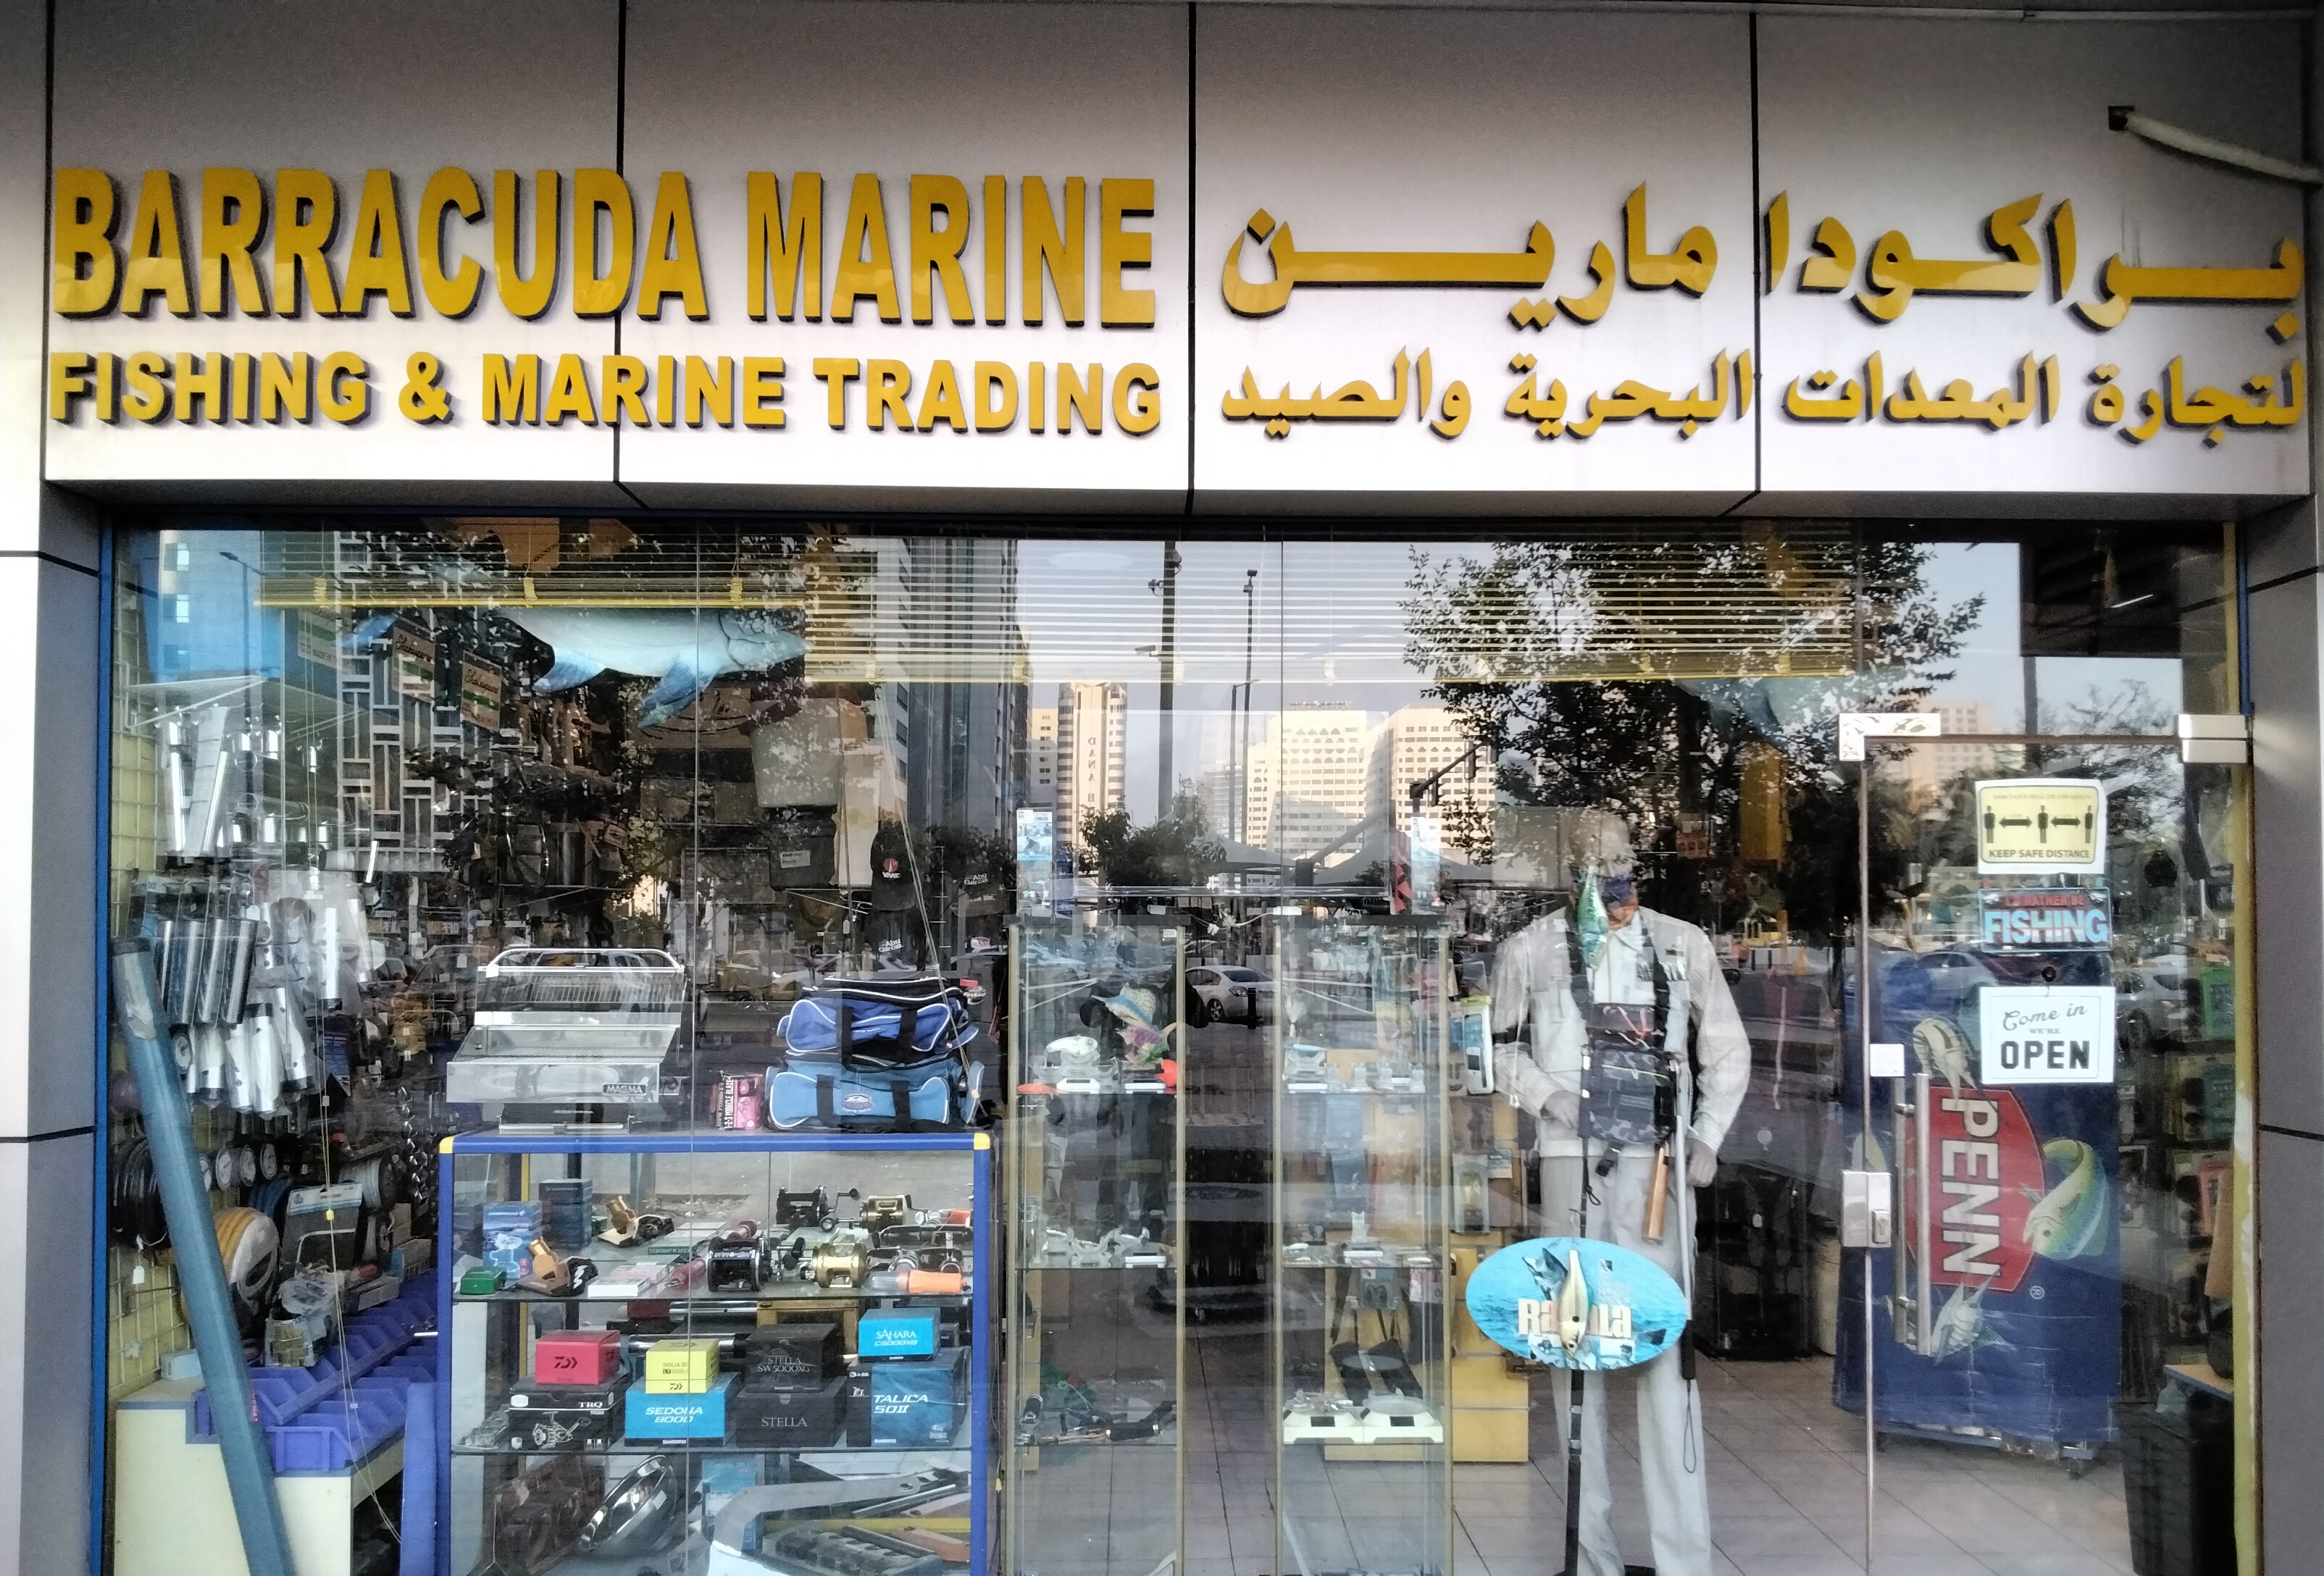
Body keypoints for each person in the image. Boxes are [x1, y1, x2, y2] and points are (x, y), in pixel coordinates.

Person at [1489, 811, 1749, 1576]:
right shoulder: (1530, 949)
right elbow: (1494, 1046)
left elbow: (1726, 1048)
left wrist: (1707, 1137)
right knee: (1577, 1358)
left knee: (1666, 1356)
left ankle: (1683, 1560)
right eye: (1591, 858)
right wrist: (1549, 1097)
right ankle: (1590, 1555)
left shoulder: (1681, 944)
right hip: (1571, 1162)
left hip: (1658, 1170)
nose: (1608, 869)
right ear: (1568, 867)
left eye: (1619, 854)